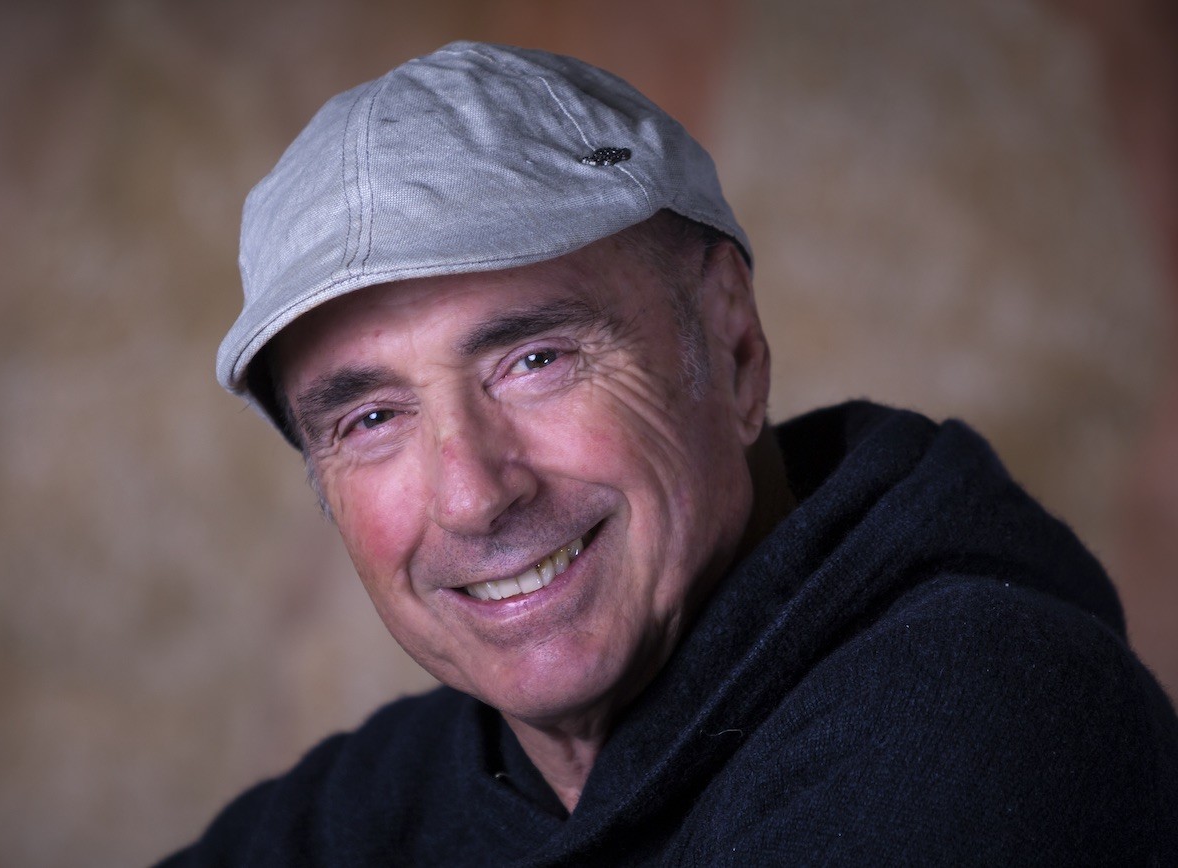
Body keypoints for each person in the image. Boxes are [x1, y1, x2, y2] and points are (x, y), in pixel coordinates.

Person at [159, 41, 1178, 865]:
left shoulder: (979, 716)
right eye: (370, 419)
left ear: (732, 344)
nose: (470, 496)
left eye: (537, 359)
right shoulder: (385, 798)